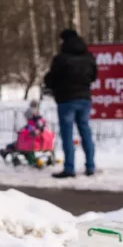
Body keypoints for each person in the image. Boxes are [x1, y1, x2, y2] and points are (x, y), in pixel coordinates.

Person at [44, 28, 97, 178]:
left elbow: (51, 78)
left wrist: (50, 84)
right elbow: (94, 76)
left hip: (66, 99)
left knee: (67, 134)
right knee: (85, 131)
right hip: (85, 98)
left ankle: (69, 168)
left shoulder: (61, 58)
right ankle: (90, 166)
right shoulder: (88, 57)